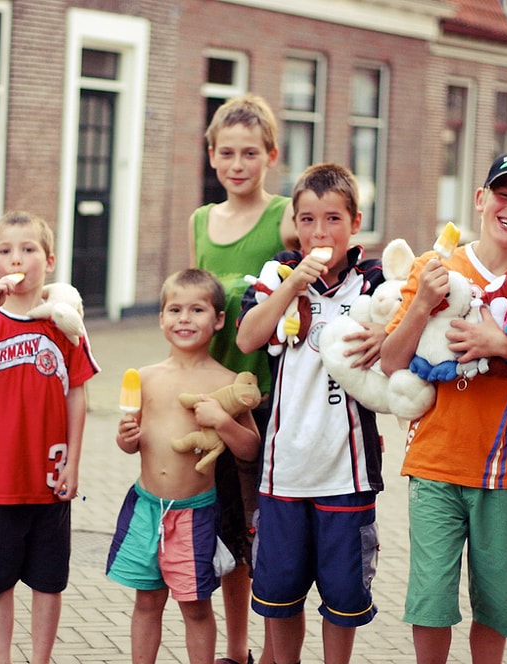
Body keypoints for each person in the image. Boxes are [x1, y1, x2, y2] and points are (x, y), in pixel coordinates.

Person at [379, 150, 507, 664]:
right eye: (504, 194)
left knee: (495, 605)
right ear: (480, 199)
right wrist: (423, 304)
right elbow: (389, 362)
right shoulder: (434, 267)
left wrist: (501, 345)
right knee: (430, 601)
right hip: (435, 463)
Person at [235, 162, 386, 664]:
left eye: (332, 219)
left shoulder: (373, 282)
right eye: (307, 220)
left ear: (356, 222)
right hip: (284, 472)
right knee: (278, 597)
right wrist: (290, 286)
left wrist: (386, 334)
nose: (319, 232)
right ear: (294, 225)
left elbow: (403, 342)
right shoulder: (277, 272)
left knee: (342, 600)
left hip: (347, 472)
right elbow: (248, 337)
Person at [0, 210, 100, 664]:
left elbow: (77, 394)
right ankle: (1, 658)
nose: (18, 258)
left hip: (49, 477)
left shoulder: (66, 323)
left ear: (48, 260)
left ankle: (41, 658)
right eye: (6, 250)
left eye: (29, 249)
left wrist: (74, 461)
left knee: (48, 579)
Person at [187, 92, 297, 664]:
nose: (237, 164)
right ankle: (237, 651)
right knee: (230, 533)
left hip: (272, 395)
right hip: (214, 400)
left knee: (267, 534)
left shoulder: (285, 216)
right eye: (226, 152)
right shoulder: (201, 221)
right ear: (210, 156)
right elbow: (194, 302)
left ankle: (279, 648)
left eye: (249, 153)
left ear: (270, 156)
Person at [106, 268, 261, 664]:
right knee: (146, 602)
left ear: (219, 319)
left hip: (194, 515)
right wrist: (125, 440)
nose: (185, 319)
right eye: (174, 309)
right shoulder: (145, 378)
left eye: (197, 309)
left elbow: (250, 450)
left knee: (195, 607)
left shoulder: (227, 382)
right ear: (161, 319)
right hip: (145, 508)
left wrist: (222, 421)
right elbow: (130, 445)